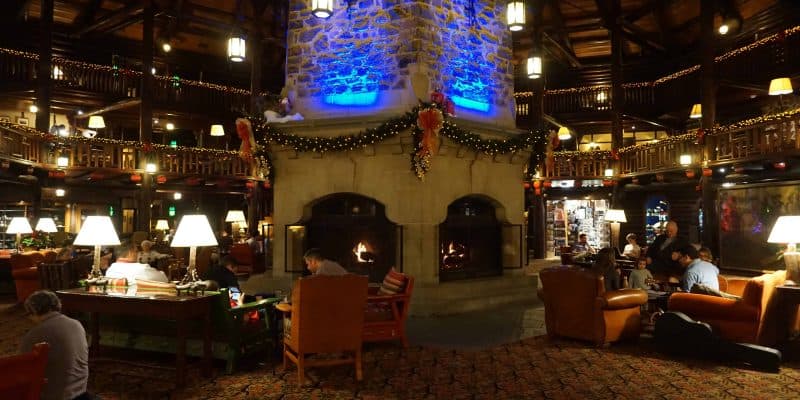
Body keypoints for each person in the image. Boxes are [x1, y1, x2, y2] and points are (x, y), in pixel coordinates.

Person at [20, 290, 90, 400]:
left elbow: (22, 371)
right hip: (80, 390)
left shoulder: (35, 334)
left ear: (33, 311)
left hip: (56, 396)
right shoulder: (76, 324)